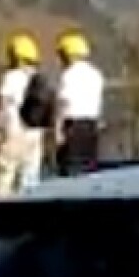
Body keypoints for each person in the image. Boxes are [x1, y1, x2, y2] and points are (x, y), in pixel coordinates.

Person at [0, 34, 52, 198]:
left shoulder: (11, 77)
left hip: (14, 129)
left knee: (6, 173)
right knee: (30, 175)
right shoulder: (39, 78)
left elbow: (4, 105)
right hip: (35, 132)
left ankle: (2, 210)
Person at [54, 31, 105, 177]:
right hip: (92, 125)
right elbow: (98, 103)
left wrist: (58, 131)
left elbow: (63, 104)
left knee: (69, 171)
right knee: (89, 169)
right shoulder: (96, 74)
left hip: (73, 126)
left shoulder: (68, 75)